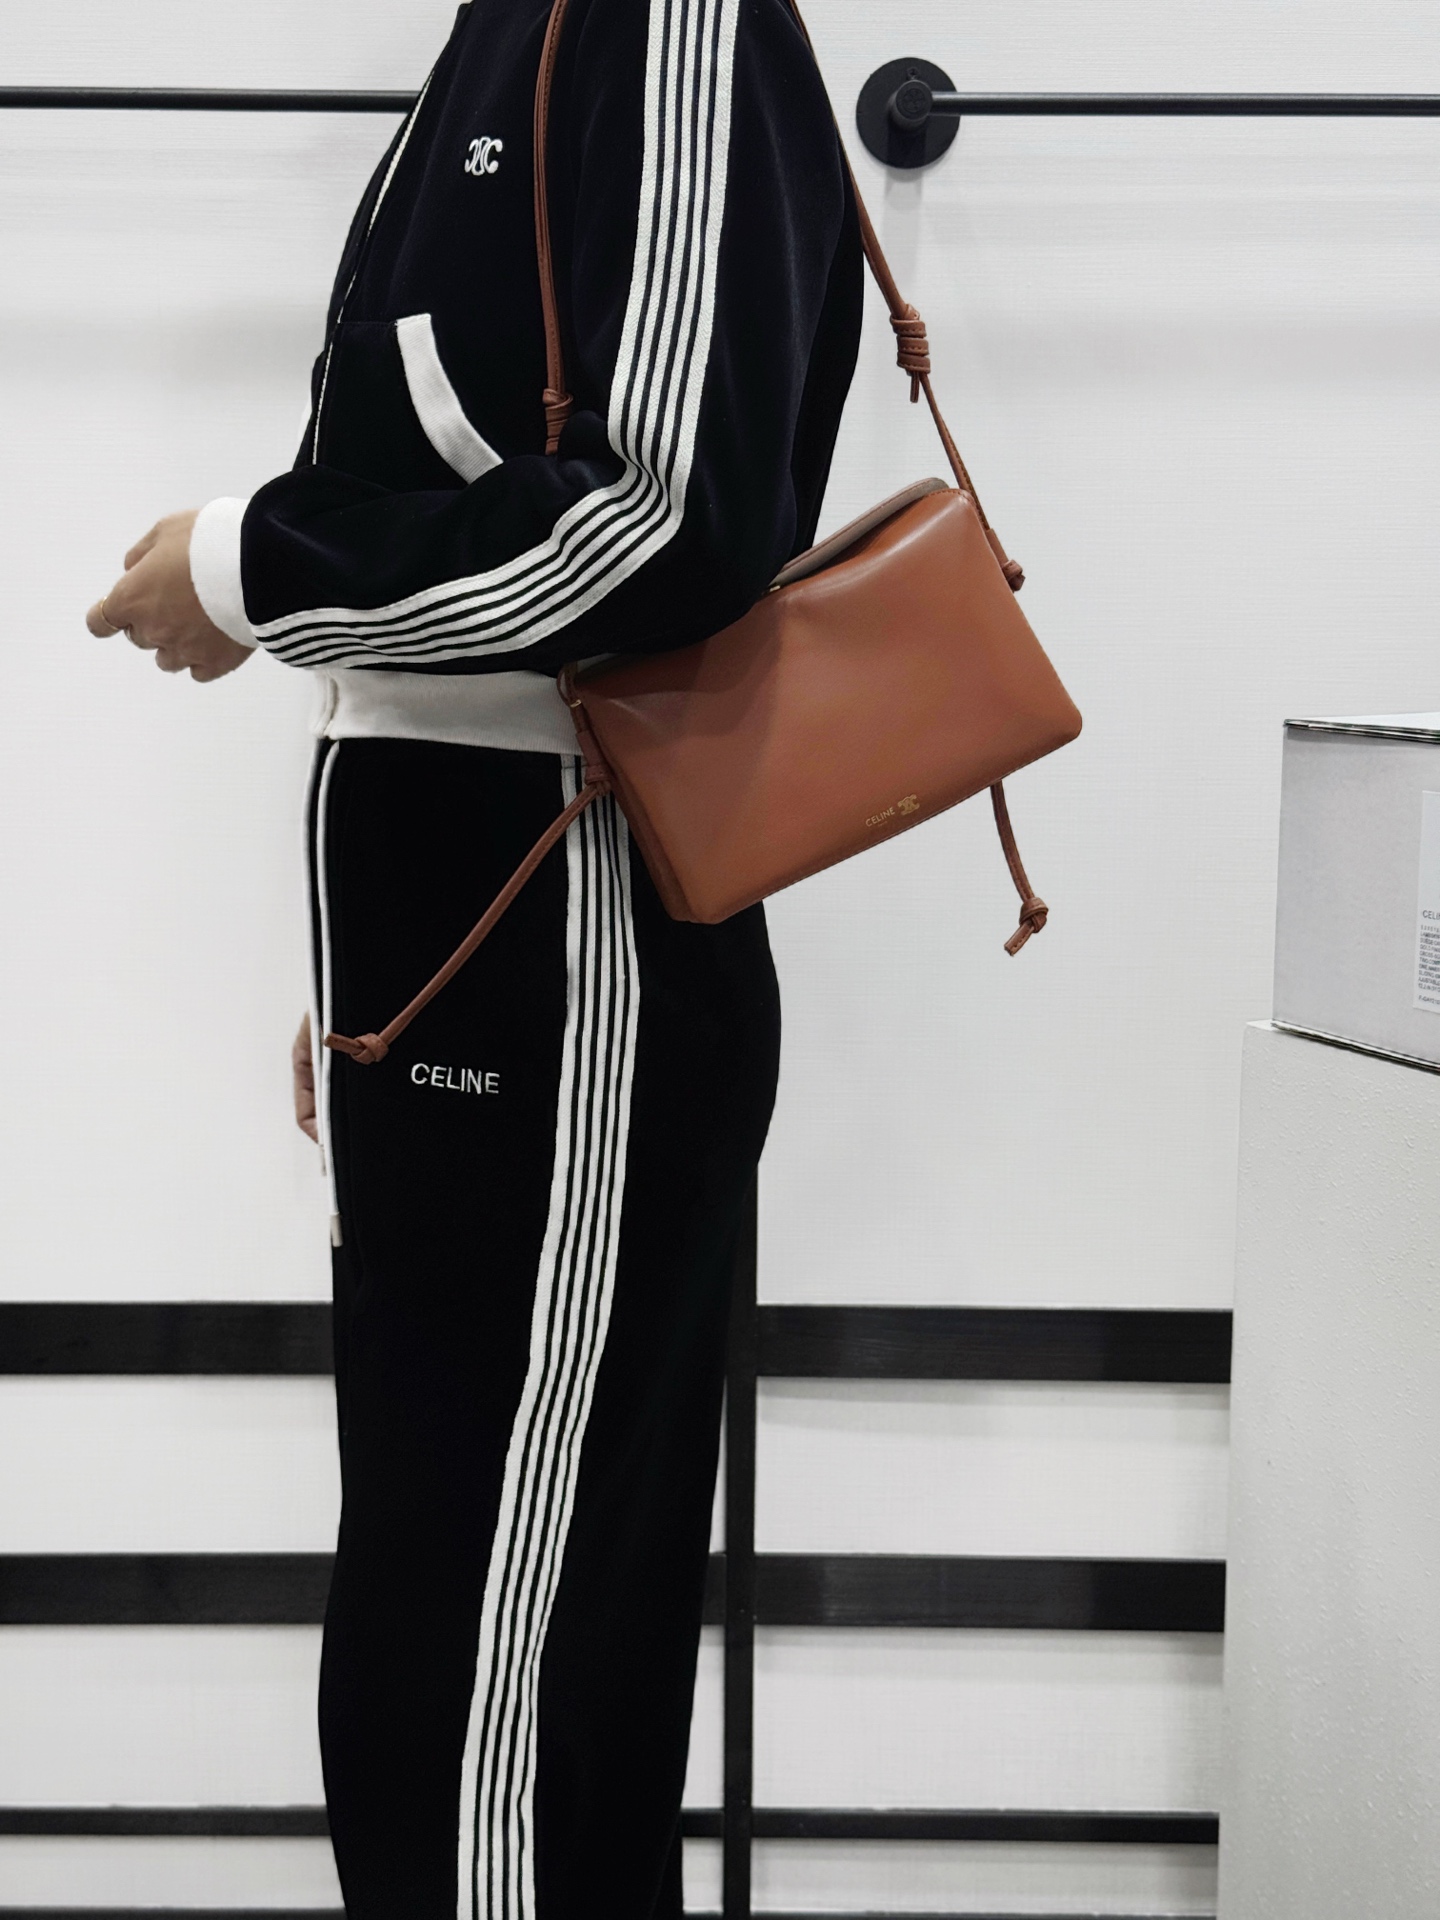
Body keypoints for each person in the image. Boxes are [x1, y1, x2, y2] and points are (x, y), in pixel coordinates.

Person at [85, 0, 860, 1912]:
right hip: (475, 943)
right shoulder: (513, 30)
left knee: (490, 1675)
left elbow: (666, 526)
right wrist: (370, 956)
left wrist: (253, 567)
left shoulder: (665, 18)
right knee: (456, 1616)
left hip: (565, 942)